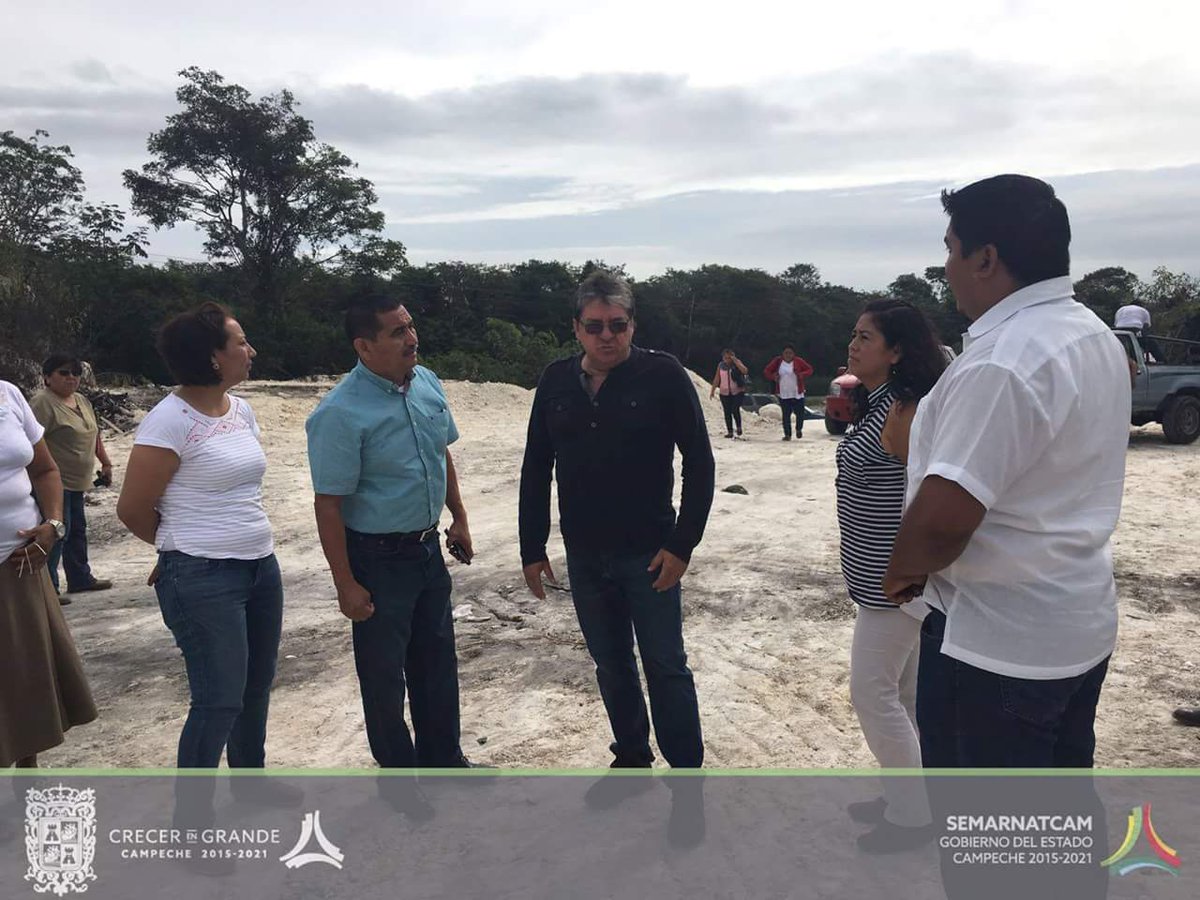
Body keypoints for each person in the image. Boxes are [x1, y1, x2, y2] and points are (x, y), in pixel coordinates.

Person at [883, 175, 1130, 769]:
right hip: (1075, 622)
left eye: (950, 248)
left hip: (998, 649)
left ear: (986, 258)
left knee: (995, 852)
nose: (946, 267)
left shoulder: (1002, 361)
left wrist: (899, 572)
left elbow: (944, 521)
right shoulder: (1091, 334)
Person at [518, 270, 714, 846]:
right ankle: (631, 758)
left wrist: (682, 545)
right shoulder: (555, 381)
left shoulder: (662, 375)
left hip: (650, 553)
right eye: (595, 326)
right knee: (611, 664)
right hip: (586, 555)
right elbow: (536, 468)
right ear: (576, 327)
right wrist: (532, 547)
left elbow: (700, 463)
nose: (607, 336)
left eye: (618, 325)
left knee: (666, 666)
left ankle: (688, 788)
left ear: (633, 324)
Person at [117, 302, 295, 808]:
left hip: (260, 565)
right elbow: (132, 508)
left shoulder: (241, 410)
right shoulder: (168, 421)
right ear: (213, 357)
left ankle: (249, 784)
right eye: (240, 342)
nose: (250, 350)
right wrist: (176, 547)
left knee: (256, 684)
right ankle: (191, 820)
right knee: (218, 700)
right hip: (203, 577)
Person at [306, 294, 477, 790]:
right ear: (364, 345)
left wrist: (459, 517)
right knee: (384, 675)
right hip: (377, 559)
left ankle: (444, 762)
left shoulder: (425, 382)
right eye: (397, 332)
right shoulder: (339, 412)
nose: (412, 338)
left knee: (437, 661)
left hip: (426, 550)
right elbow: (328, 504)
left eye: (411, 326)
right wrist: (345, 583)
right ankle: (399, 779)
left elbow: (440, 452)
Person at [835, 299, 946, 852]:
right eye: (854, 335)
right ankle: (908, 798)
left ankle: (912, 817)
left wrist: (906, 570)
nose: (853, 344)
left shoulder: (904, 410)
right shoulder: (879, 403)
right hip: (879, 576)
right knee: (902, 696)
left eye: (866, 337)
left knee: (872, 694)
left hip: (892, 581)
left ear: (897, 350)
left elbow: (922, 493)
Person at [0, 379, 97, 768]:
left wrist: (52, 524)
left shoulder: (7, 394)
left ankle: (25, 791)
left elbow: (44, 470)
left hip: (20, 564)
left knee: (24, 680)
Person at [30, 354, 114, 600]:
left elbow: (94, 434)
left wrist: (106, 462)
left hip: (79, 480)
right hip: (54, 482)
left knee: (77, 530)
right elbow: (33, 439)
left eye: (75, 373)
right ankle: (48, 590)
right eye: (63, 373)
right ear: (47, 377)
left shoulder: (81, 401)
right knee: (56, 532)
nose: (71, 378)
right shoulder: (42, 403)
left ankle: (79, 577)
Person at [763, 345, 813, 440]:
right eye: (786, 353)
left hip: (797, 392)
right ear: (782, 354)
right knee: (786, 415)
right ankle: (787, 434)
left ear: (793, 354)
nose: (788, 355)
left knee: (800, 413)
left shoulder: (798, 361)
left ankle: (798, 429)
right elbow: (766, 371)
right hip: (784, 393)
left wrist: (802, 374)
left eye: (790, 353)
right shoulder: (778, 362)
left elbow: (810, 369)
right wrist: (773, 377)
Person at [709, 349, 748, 438]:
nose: (727, 360)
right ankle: (730, 431)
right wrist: (713, 390)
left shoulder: (737, 363)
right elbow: (717, 378)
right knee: (727, 412)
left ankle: (738, 427)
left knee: (735, 409)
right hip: (724, 392)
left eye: (729, 357)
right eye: (725, 358)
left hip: (737, 391)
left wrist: (736, 361)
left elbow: (745, 371)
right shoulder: (720, 365)